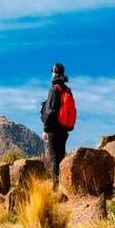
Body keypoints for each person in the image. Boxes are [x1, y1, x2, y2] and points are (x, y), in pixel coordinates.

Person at [40, 62, 73, 190]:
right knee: (61, 156)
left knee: (54, 158)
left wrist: (46, 129)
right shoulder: (67, 89)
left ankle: (55, 188)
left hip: (54, 129)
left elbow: (50, 111)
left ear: (54, 72)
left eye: (52, 71)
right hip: (64, 129)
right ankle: (64, 185)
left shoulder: (54, 89)